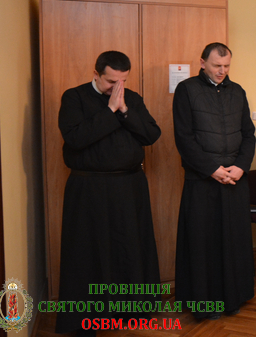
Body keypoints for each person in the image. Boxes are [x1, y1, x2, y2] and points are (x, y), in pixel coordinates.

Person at [55, 51, 161, 336]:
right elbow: (76, 138)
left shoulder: (132, 99)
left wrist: (124, 109)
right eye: (111, 81)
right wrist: (110, 110)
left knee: (129, 249)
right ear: (96, 73)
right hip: (88, 189)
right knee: (88, 252)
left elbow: (151, 135)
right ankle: (87, 318)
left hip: (129, 187)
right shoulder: (74, 97)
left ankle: (130, 311)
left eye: (122, 81)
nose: (117, 87)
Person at [173, 43, 256, 319]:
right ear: (202, 63)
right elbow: (184, 138)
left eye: (227, 66)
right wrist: (212, 169)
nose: (222, 71)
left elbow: (248, 135)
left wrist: (241, 167)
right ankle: (205, 304)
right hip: (202, 182)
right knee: (203, 244)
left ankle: (233, 298)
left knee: (234, 242)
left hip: (234, 180)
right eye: (217, 65)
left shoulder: (238, 91)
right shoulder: (186, 90)